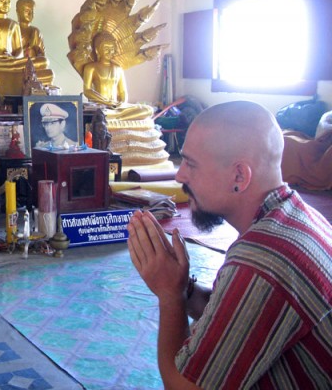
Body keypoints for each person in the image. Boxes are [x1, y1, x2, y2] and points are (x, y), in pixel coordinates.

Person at [127, 101, 332, 389]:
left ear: (239, 176)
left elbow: (183, 387)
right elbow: (237, 316)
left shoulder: (262, 260)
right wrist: (184, 287)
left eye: (190, 164)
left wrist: (169, 295)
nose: (179, 175)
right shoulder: (297, 216)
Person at [82, 31, 152, 120]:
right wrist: (106, 102)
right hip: (100, 106)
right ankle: (118, 118)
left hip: (116, 107)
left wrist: (122, 103)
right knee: (100, 114)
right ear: (97, 50)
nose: (110, 51)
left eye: (112, 48)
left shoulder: (118, 68)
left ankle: (117, 118)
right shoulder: (91, 67)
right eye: (106, 48)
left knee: (148, 110)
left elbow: (122, 91)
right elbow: (87, 90)